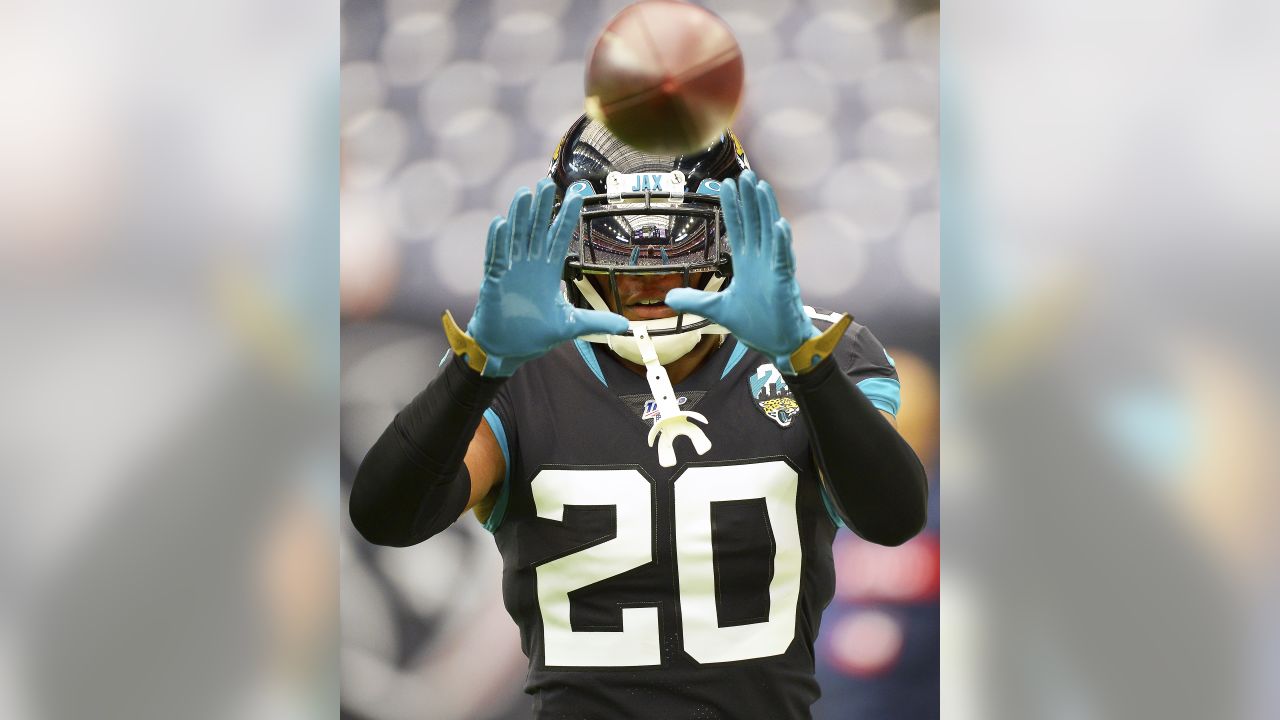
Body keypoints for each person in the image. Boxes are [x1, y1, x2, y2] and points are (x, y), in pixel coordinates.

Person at [349, 115, 928, 719]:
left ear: (729, 236)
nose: (647, 274)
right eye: (615, 242)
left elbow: (892, 517)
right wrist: (475, 369)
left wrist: (806, 364)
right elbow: (388, 516)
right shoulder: (521, 367)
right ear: (570, 240)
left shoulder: (822, 349)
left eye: (679, 242)